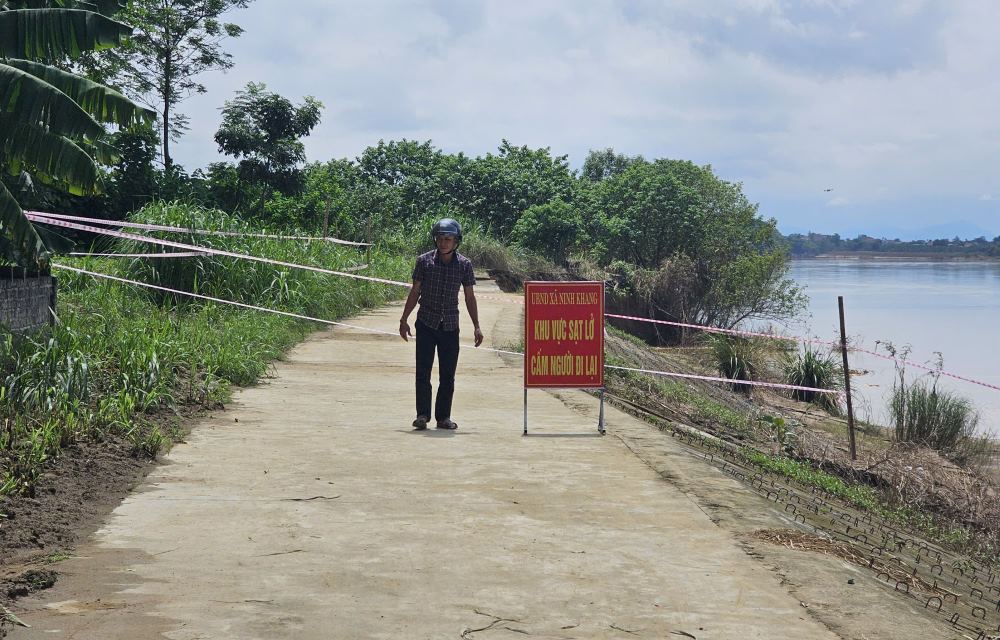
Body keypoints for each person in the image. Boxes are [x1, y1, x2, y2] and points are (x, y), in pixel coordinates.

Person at [398, 218, 484, 430]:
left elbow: (470, 297)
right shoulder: (424, 261)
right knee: (423, 371)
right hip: (426, 322)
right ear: (435, 240)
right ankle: (422, 415)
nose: (444, 243)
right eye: (440, 239)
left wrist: (476, 325)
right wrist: (404, 319)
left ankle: (443, 417)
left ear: (456, 242)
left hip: (450, 326)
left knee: (448, 374)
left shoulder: (464, 265)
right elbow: (415, 291)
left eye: (448, 239)